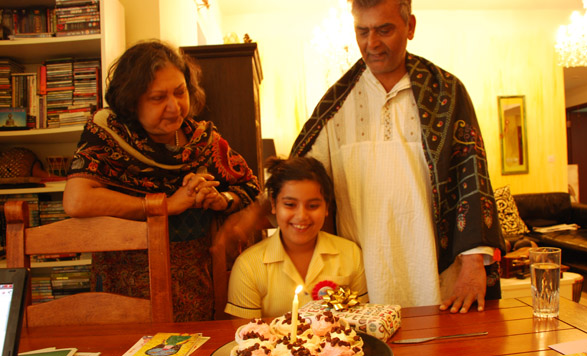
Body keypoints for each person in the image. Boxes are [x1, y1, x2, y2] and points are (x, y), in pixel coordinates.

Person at [290, 0, 505, 313]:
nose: (371, 43)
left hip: (441, 281)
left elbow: (470, 179)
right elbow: (299, 178)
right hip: (361, 285)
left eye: (384, 30)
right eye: (362, 31)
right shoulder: (337, 103)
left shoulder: (447, 93)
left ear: (411, 26)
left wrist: (474, 267)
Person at [63, 40, 260, 322]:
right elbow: (77, 200)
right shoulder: (109, 134)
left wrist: (221, 200)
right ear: (132, 101)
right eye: (158, 98)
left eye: (180, 92)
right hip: (123, 292)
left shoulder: (202, 140)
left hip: (197, 291)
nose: (174, 107)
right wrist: (165, 205)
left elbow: (250, 186)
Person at [225, 156, 369, 319]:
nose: (301, 216)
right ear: (273, 204)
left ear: (326, 207)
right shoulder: (248, 266)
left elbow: (361, 322)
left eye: (313, 206)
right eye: (290, 205)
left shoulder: (351, 254)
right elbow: (244, 336)